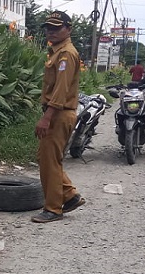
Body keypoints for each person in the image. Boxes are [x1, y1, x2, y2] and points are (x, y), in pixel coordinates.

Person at [31, 10, 85, 223]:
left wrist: (47, 118)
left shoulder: (66, 55)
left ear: (68, 29)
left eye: (56, 27)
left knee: (50, 161)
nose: (50, 32)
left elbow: (61, 91)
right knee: (46, 158)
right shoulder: (57, 51)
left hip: (59, 113)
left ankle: (53, 209)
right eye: (48, 28)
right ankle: (69, 196)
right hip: (57, 112)